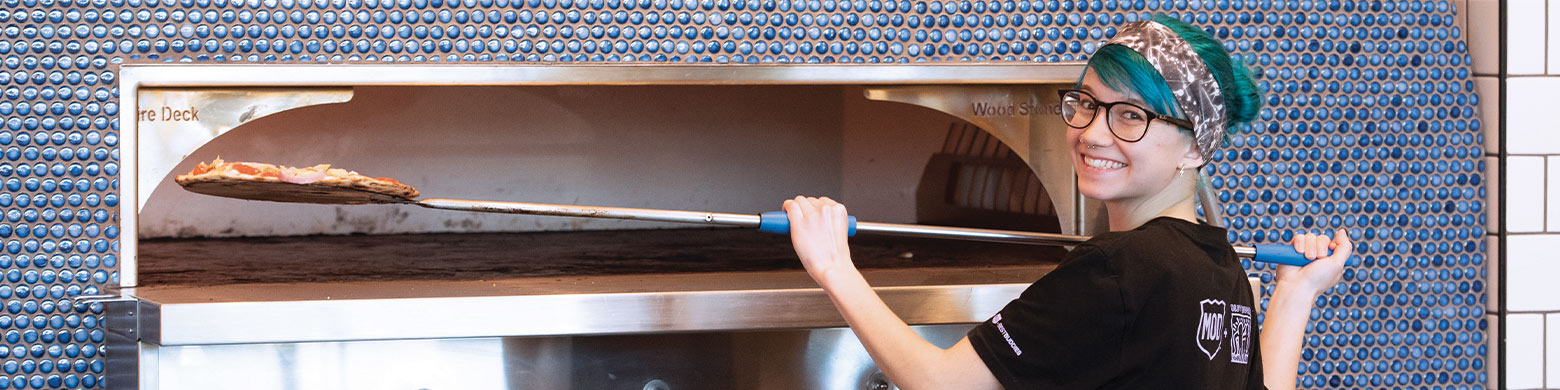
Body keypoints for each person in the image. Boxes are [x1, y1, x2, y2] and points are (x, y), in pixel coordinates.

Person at [781, 14, 1351, 390]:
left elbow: (940, 384)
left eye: (1132, 116)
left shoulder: (1118, 268)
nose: (1093, 133)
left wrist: (834, 266)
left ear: (1195, 148)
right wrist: (1296, 294)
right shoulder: (1218, 266)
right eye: (1086, 103)